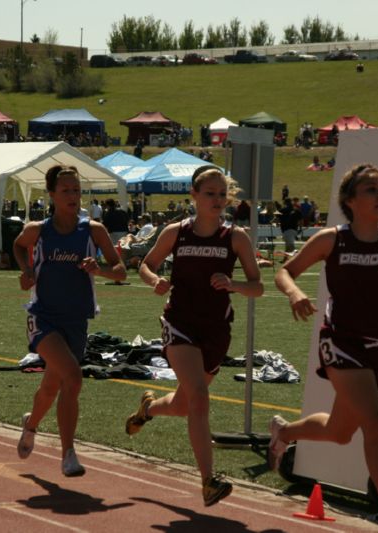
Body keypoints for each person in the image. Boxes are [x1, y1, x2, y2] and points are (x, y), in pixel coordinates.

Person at [270, 163, 378, 533]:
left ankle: (284, 432)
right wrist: (296, 293)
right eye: (371, 190)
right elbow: (285, 272)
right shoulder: (333, 239)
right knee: (376, 424)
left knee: (339, 430)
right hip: (342, 343)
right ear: (350, 200)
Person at [125, 166, 264, 506]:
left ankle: (148, 409)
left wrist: (233, 285)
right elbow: (145, 264)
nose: (217, 200)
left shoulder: (236, 237)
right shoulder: (177, 233)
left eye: (222, 194)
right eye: (210, 194)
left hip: (216, 329)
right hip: (180, 324)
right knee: (199, 398)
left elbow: (257, 286)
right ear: (194, 197)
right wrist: (153, 281)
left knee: (185, 404)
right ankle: (208, 481)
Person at [12, 165, 126, 477]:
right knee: (73, 377)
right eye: (66, 191)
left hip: (77, 321)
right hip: (43, 317)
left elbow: (121, 271)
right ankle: (68, 454)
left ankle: (30, 425)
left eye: (76, 190)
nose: (73, 196)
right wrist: (27, 271)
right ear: (51, 195)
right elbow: (19, 246)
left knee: (52, 386)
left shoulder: (93, 230)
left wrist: (99, 269)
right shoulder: (39, 230)